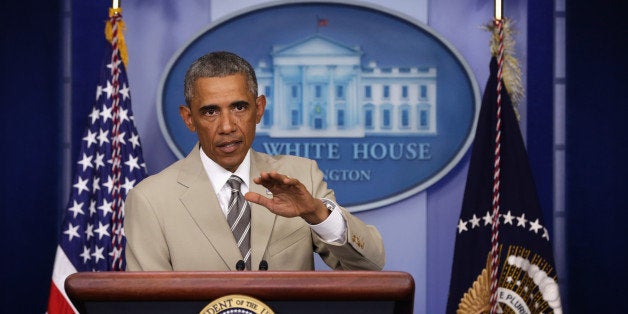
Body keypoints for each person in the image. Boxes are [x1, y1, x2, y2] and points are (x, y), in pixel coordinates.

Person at [124, 51, 385, 271]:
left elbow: (371, 266)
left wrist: (317, 214)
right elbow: (148, 304)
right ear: (189, 118)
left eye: (239, 107)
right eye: (211, 111)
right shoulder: (150, 200)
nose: (227, 126)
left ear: (258, 109)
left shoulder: (301, 176)